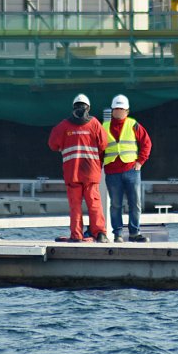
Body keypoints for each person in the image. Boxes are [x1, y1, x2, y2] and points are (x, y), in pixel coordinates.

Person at [47, 93, 110, 243]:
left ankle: (76, 235)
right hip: (91, 173)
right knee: (94, 204)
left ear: (73, 107)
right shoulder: (94, 124)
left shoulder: (63, 126)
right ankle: (100, 234)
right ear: (88, 108)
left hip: (72, 172)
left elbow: (52, 145)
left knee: (75, 206)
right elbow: (103, 144)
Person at [103, 94, 152, 242]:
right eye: (116, 109)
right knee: (116, 204)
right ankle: (118, 234)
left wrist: (140, 161)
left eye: (121, 109)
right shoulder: (103, 127)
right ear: (112, 111)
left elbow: (146, 143)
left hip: (131, 169)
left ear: (127, 111)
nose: (118, 111)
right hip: (112, 171)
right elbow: (98, 148)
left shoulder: (133, 124)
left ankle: (134, 233)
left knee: (135, 203)